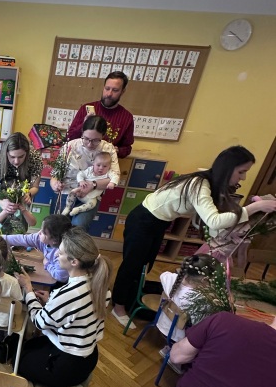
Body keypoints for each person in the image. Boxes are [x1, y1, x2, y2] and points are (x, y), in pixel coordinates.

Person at [111, 146, 276, 327]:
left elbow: (202, 220)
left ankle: (130, 297)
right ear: (228, 168)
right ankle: (118, 307)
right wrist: (255, 207)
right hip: (144, 220)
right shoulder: (199, 184)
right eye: (241, 172)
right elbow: (214, 221)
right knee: (132, 265)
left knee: (145, 263)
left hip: (157, 222)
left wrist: (228, 235)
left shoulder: (210, 185)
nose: (243, 177)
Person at [15, 228, 111, 387]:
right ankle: (80, 377)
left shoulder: (68, 294)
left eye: (60, 253)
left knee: (19, 362)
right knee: (29, 346)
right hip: (88, 355)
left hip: (68, 364)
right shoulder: (99, 284)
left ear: (74, 261)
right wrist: (51, 300)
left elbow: (39, 322)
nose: (57, 255)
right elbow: (76, 312)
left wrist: (28, 290)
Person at [51, 115, 120, 231]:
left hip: (91, 195)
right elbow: (55, 175)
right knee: (56, 227)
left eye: (95, 140)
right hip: (67, 191)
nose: (89, 144)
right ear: (82, 132)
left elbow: (114, 178)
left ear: (103, 136)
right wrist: (55, 184)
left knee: (78, 227)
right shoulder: (70, 146)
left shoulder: (108, 149)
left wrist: (93, 185)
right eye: (86, 138)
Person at [67, 71, 134, 158]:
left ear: (122, 91)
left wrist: (116, 150)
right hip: (80, 160)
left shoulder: (127, 117)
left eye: (115, 90)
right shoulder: (85, 109)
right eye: (107, 88)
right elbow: (70, 137)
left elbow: (127, 148)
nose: (109, 94)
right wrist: (84, 124)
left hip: (105, 163)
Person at [3, 214, 72, 284]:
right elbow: (21, 239)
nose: (39, 233)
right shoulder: (40, 238)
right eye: (41, 229)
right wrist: (0, 238)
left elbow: (61, 277)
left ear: (55, 240)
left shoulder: (62, 254)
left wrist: (47, 264)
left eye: (43, 232)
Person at [0, 132, 43, 212]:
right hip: (3, 198)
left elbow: (35, 187)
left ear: (27, 153)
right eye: (12, 157)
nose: (16, 161)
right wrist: (1, 202)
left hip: (23, 200)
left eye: (21, 156)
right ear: (6, 153)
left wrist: (28, 194)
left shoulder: (35, 159)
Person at [62, 151, 112, 218]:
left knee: (92, 204)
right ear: (93, 164)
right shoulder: (89, 170)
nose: (101, 168)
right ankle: (68, 207)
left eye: (105, 166)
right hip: (80, 191)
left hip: (92, 197)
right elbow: (80, 174)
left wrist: (112, 183)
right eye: (98, 165)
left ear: (109, 167)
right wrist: (81, 181)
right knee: (73, 192)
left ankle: (78, 209)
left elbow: (115, 177)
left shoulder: (109, 173)